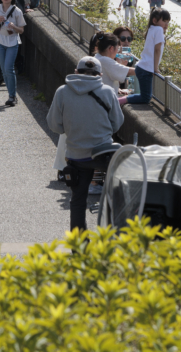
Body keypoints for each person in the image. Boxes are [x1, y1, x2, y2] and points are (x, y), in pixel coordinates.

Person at [47, 57, 124, 231]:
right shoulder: (108, 91)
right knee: (114, 197)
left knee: (77, 201)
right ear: (100, 75)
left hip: (77, 156)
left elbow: (54, 125)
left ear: (76, 72)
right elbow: (117, 123)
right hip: (103, 154)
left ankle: (80, 247)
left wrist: (70, 130)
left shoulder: (62, 92)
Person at [0, 0, 26, 107]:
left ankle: (12, 96)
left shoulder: (17, 11)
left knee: (8, 69)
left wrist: (13, 26)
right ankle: (11, 94)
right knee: (4, 70)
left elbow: (21, 30)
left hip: (13, 42)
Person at [89, 31, 141, 105]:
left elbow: (109, 77)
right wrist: (147, 70)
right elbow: (130, 72)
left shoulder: (97, 57)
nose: (118, 51)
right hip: (104, 101)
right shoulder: (105, 60)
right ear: (111, 48)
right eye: (118, 48)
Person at [134, 8, 171, 104]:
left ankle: (121, 100)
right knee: (145, 98)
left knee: (144, 95)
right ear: (154, 20)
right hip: (146, 69)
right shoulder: (158, 30)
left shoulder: (151, 29)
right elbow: (157, 50)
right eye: (164, 21)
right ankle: (120, 100)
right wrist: (155, 68)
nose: (166, 24)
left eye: (168, 22)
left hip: (142, 67)